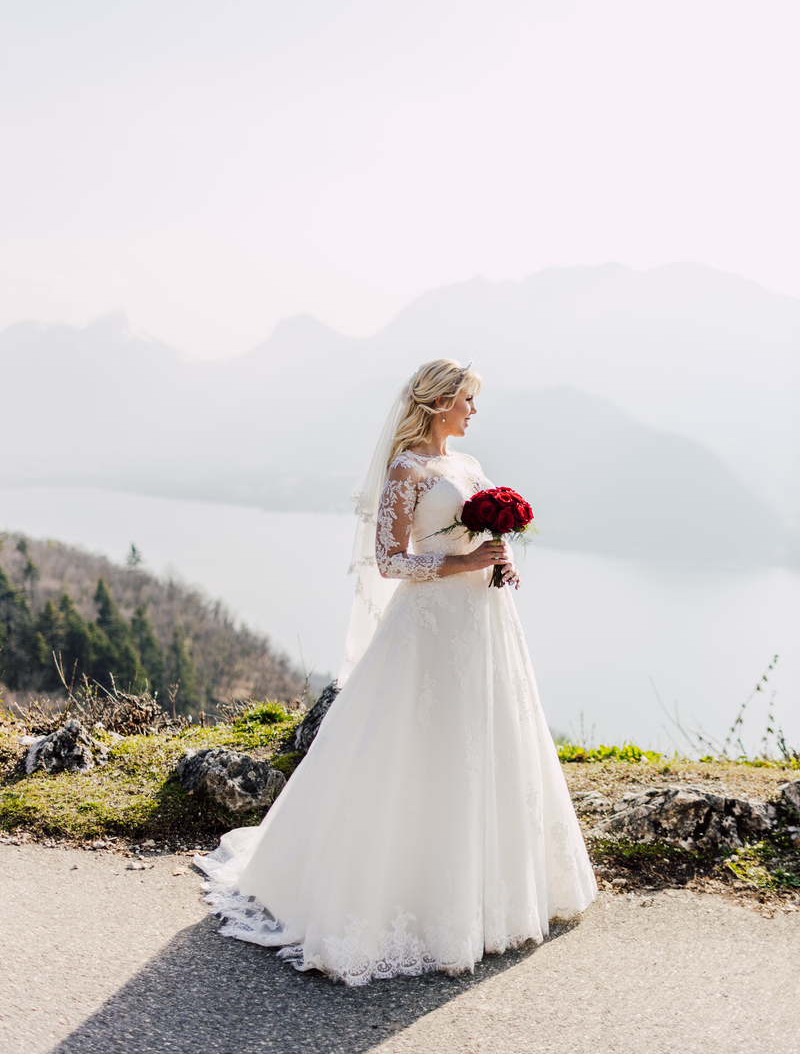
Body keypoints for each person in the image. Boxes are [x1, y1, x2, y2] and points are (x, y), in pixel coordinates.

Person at [196, 358, 597, 985]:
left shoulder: (468, 467)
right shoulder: (405, 469)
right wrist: (462, 567)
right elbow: (389, 560)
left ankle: (492, 898)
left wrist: (500, 562)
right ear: (440, 402)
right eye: (468, 399)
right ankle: (404, 898)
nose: (474, 410)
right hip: (429, 627)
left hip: (485, 623)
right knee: (417, 749)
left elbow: (478, 535)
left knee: (486, 743)